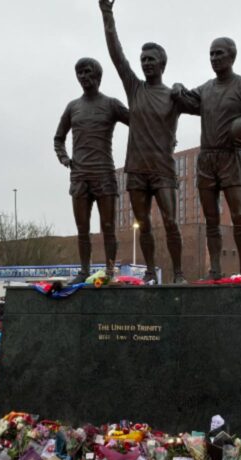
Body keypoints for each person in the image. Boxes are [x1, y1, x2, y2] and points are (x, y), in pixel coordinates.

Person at [100, 0, 184, 284]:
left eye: (151, 59)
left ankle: (179, 273)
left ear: (162, 63)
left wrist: (183, 90)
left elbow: (205, 105)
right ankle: (149, 270)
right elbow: (117, 56)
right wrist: (107, 14)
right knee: (143, 225)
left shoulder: (173, 96)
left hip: (162, 169)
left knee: (171, 222)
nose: (146, 63)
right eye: (144, 60)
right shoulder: (134, 89)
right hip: (135, 170)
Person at [173, 37, 241, 278]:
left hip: (231, 158)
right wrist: (176, 89)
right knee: (211, 219)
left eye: (219, 54)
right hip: (207, 160)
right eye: (211, 54)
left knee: (238, 216)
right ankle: (214, 269)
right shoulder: (205, 89)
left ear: (231, 57)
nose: (214, 58)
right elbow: (185, 101)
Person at [54, 56, 130, 284]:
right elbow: (59, 138)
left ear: (97, 75)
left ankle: (109, 270)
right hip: (79, 176)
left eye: (87, 72)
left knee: (108, 227)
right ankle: (84, 270)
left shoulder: (111, 104)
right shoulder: (72, 107)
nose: (84, 77)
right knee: (82, 228)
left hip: (104, 174)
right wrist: (65, 158)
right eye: (80, 73)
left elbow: (138, 122)